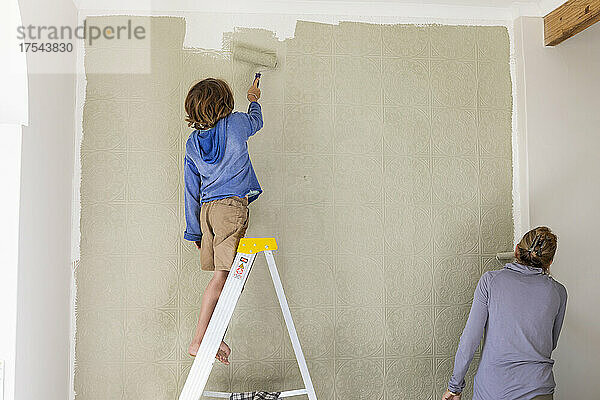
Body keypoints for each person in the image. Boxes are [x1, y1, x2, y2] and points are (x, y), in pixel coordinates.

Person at [183, 77, 263, 364]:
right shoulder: (237, 124)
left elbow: (191, 190)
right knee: (225, 277)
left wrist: (195, 232)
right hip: (230, 209)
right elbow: (256, 122)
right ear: (225, 104)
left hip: (207, 212)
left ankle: (213, 336)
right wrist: (254, 99)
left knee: (228, 277)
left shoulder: (193, 144)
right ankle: (200, 338)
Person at [442, 226, 567, 400]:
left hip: (494, 391)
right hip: (540, 390)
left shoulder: (490, 281)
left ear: (516, 250)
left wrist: (455, 387)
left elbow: (470, 339)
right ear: (550, 261)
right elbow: (550, 343)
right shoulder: (559, 292)